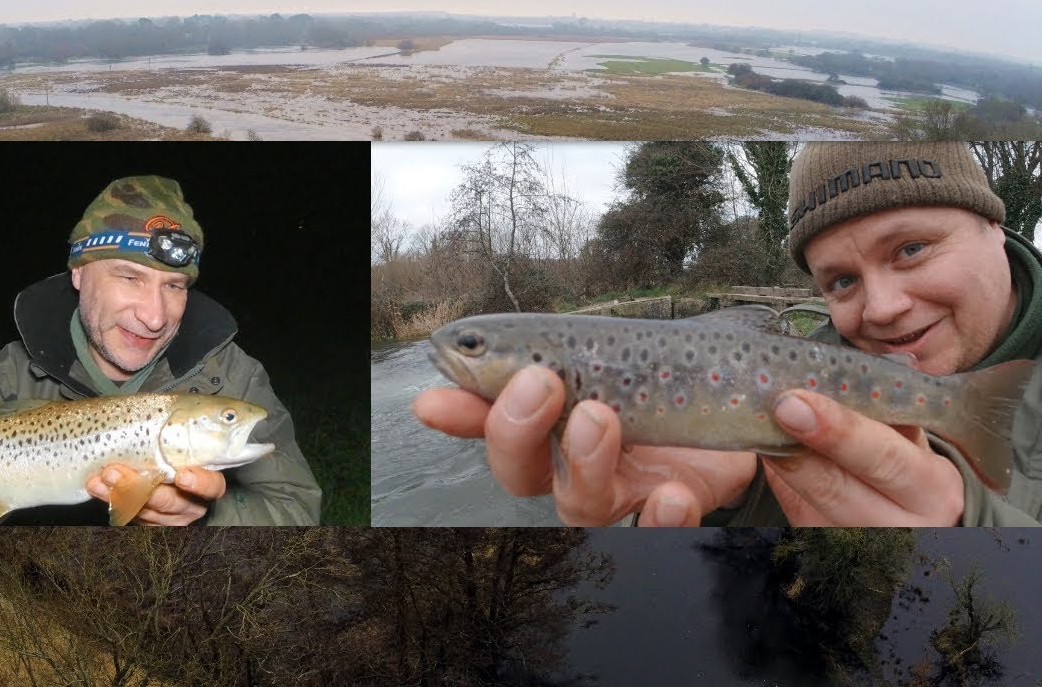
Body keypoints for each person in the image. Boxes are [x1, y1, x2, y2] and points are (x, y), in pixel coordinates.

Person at [414, 142, 1042, 527]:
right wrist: (733, 507)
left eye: (911, 248)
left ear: (997, 224)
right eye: (841, 281)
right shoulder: (817, 367)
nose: (881, 308)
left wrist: (974, 538)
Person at [0, 175, 321, 525]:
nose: (154, 316)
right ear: (79, 273)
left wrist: (206, 518)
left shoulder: (233, 376)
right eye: (129, 277)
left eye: (173, 286)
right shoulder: (10, 373)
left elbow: (299, 509)